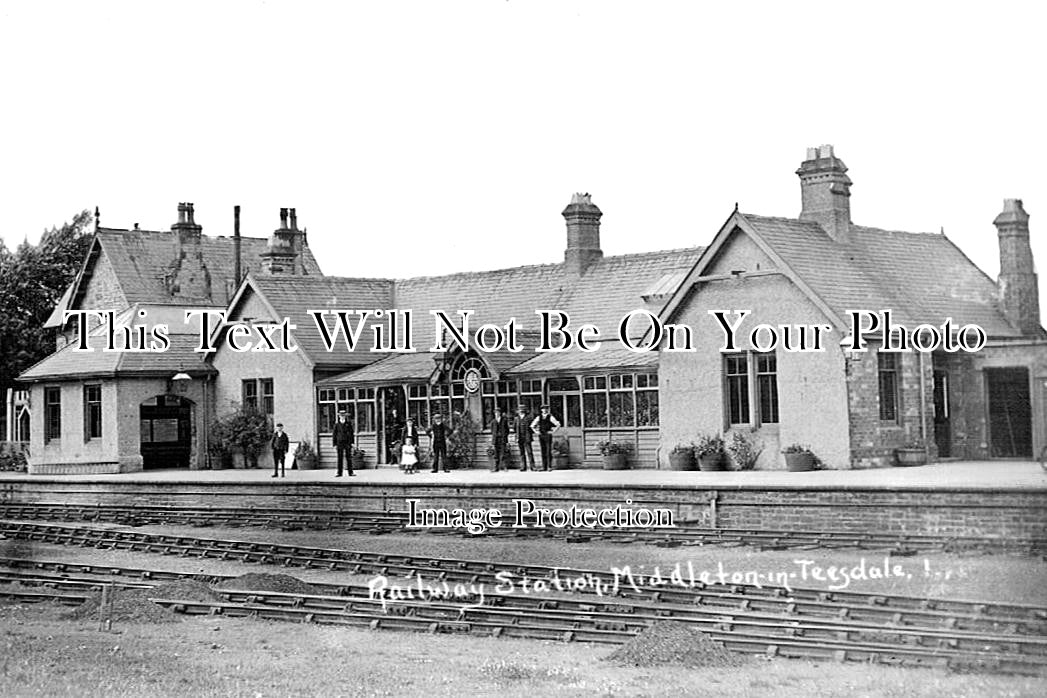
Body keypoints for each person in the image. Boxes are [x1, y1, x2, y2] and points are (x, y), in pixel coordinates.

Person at [531, 405, 561, 471]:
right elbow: (532, 425)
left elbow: (558, 424)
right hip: (541, 435)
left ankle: (549, 466)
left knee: (548, 451)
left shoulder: (550, 417)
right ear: (541, 410)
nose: (544, 410)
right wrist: (536, 432)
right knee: (543, 450)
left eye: (546, 409)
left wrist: (553, 431)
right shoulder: (539, 417)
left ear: (548, 409)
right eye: (543, 409)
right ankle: (544, 467)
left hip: (548, 435)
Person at [333, 410, 355, 477]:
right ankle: (339, 473)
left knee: (349, 457)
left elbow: (351, 433)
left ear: (345, 416)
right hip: (339, 443)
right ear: (339, 416)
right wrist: (334, 444)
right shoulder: (337, 425)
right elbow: (334, 434)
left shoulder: (348, 424)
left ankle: (350, 472)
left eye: (343, 415)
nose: (342, 417)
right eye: (341, 415)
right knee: (340, 458)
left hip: (347, 442)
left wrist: (352, 442)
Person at [514, 405, 534, 471]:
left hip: (527, 437)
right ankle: (523, 467)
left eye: (522, 410)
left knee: (529, 452)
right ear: (518, 411)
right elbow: (515, 428)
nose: (521, 411)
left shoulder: (529, 418)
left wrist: (529, 435)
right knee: (522, 453)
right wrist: (517, 436)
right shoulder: (516, 419)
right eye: (520, 410)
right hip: (520, 438)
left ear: (525, 411)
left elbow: (532, 427)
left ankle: (532, 466)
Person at [491, 406, 510, 472]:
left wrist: (505, 437)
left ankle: (504, 467)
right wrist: (493, 439)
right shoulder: (493, 421)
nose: (497, 414)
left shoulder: (504, 421)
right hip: (496, 439)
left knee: (503, 453)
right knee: (496, 454)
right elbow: (492, 431)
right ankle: (496, 468)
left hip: (502, 439)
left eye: (498, 412)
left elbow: (507, 430)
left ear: (500, 413)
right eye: (495, 413)